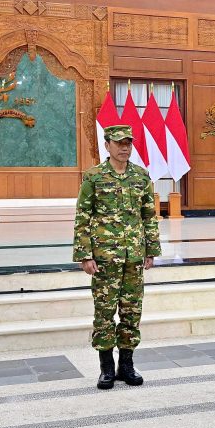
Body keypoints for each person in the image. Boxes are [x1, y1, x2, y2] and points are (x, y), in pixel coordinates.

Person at [73, 125, 161, 390]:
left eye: (128, 143)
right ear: (107, 144)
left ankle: (127, 365)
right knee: (104, 312)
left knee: (132, 312)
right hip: (104, 259)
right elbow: (83, 217)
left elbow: (149, 215)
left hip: (134, 256)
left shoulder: (141, 176)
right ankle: (106, 368)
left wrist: (151, 250)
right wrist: (85, 255)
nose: (125, 147)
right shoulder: (94, 176)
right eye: (119, 143)